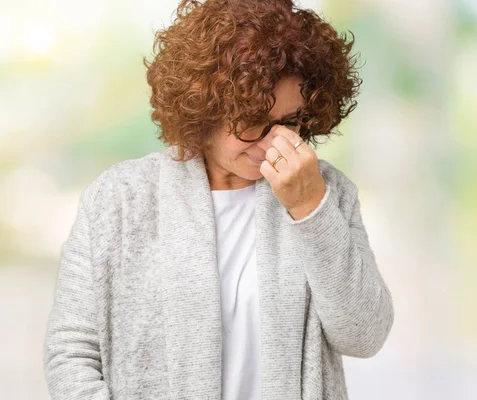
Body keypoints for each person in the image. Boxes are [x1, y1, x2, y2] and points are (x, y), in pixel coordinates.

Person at [43, 0, 394, 399]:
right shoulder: (121, 199)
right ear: (205, 106)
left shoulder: (327, 192)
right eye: (253, 121)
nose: (274, 142)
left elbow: (365, 335)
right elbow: (70, 354)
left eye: (291, 121)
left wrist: (310, 209)